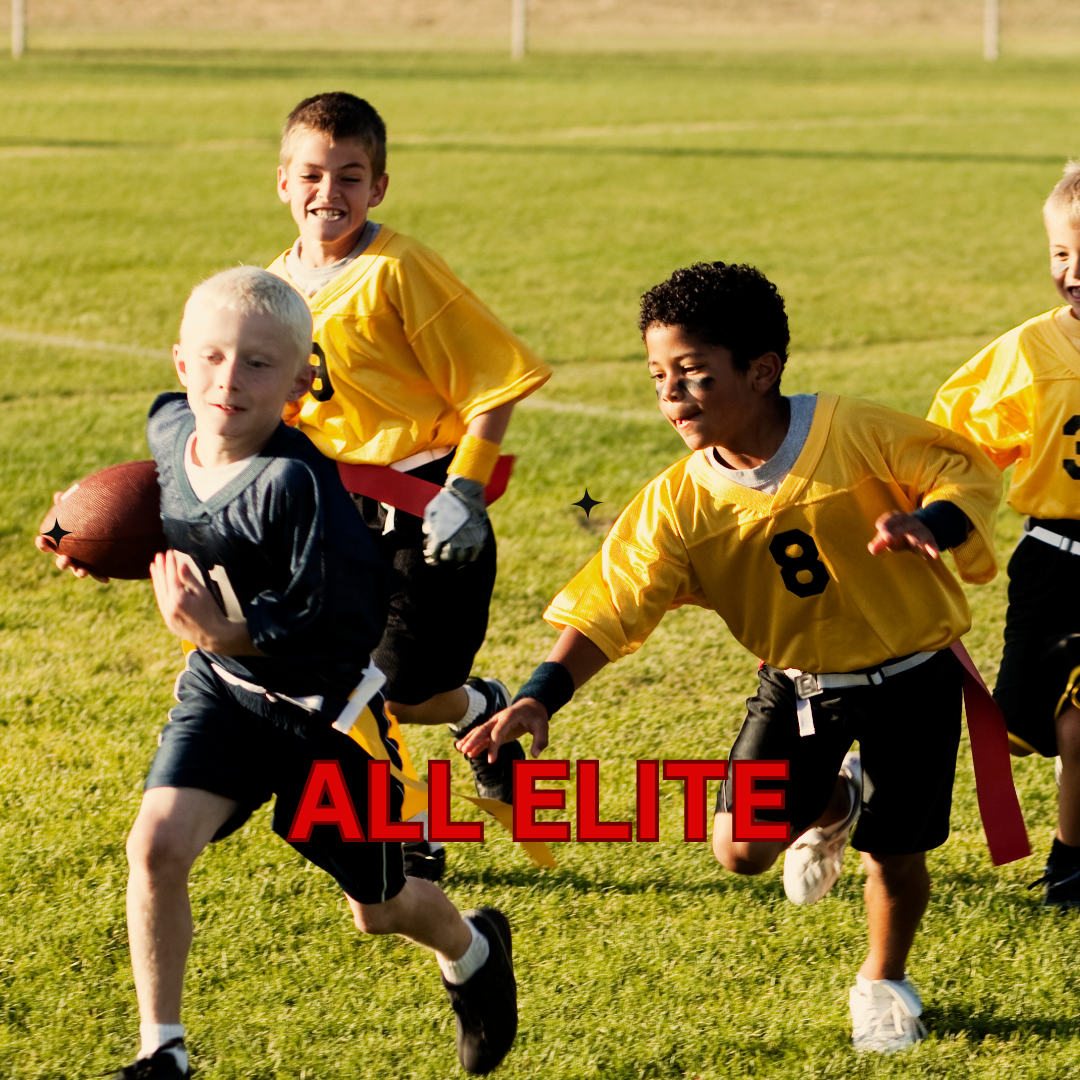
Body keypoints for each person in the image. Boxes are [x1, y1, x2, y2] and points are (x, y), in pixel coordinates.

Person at [460, 262, 1002, 1053]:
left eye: (693, 375)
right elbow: (614, 598)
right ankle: (830, 804)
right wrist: (542, 694)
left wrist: (937, 523)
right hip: (799, 685)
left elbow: (961, 468)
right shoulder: (677, 503)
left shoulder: (854, 432)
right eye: (659, 377)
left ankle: (884, 981)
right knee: (741, 848)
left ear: (762, 369)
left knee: (897, 850)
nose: (672, 396)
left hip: (911, 676)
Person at [40, 267, 517, 1079]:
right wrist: (78, 530)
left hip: (329, 715)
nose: (230, 379)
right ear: (181, 363)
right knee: (155, 845)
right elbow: (170, 498)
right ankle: (163, 1051)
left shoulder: (301, 486)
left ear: (300, 385)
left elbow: (339, 630)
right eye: (214, 357)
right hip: (224, 696)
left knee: (380, 907)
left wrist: (221, 630)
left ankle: (474, 952)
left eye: (259, 364)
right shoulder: (167, 425)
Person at [265, 93, 551, 879]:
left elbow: (494, 384)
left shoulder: (400, 268)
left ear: (378, 187)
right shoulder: (271, 289)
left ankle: (467, 724)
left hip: (427, 517)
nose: (331, 192)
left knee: (391, 695)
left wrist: (464, 490)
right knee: (341, 690)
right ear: (283, 182)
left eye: (350, 176)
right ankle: (412, 822)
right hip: (334, 521)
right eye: (314, 175)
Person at [928, 160, 1080, 907]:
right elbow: (957, 447)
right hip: (1052, 561)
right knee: (1027, 725)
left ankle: (1070, 865)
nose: (1074, 271)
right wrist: (930, 513)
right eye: (1060, 254)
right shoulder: (1028, 353)